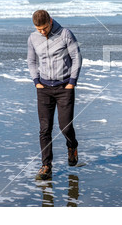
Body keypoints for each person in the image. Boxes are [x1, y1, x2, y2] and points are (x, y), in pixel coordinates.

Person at [27, 10, 82, 180]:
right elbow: (31, 61)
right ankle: (46, 166)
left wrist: (72, 82)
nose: (42, 32)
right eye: (39, 29)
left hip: (64, 87)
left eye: (44, 28)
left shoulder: (65, 34)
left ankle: (72, 146)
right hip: (43, 88)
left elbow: (77, 58)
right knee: (44, 129)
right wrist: (36, 80)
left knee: (65, 126)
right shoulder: (32, 38)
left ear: (50, 21)